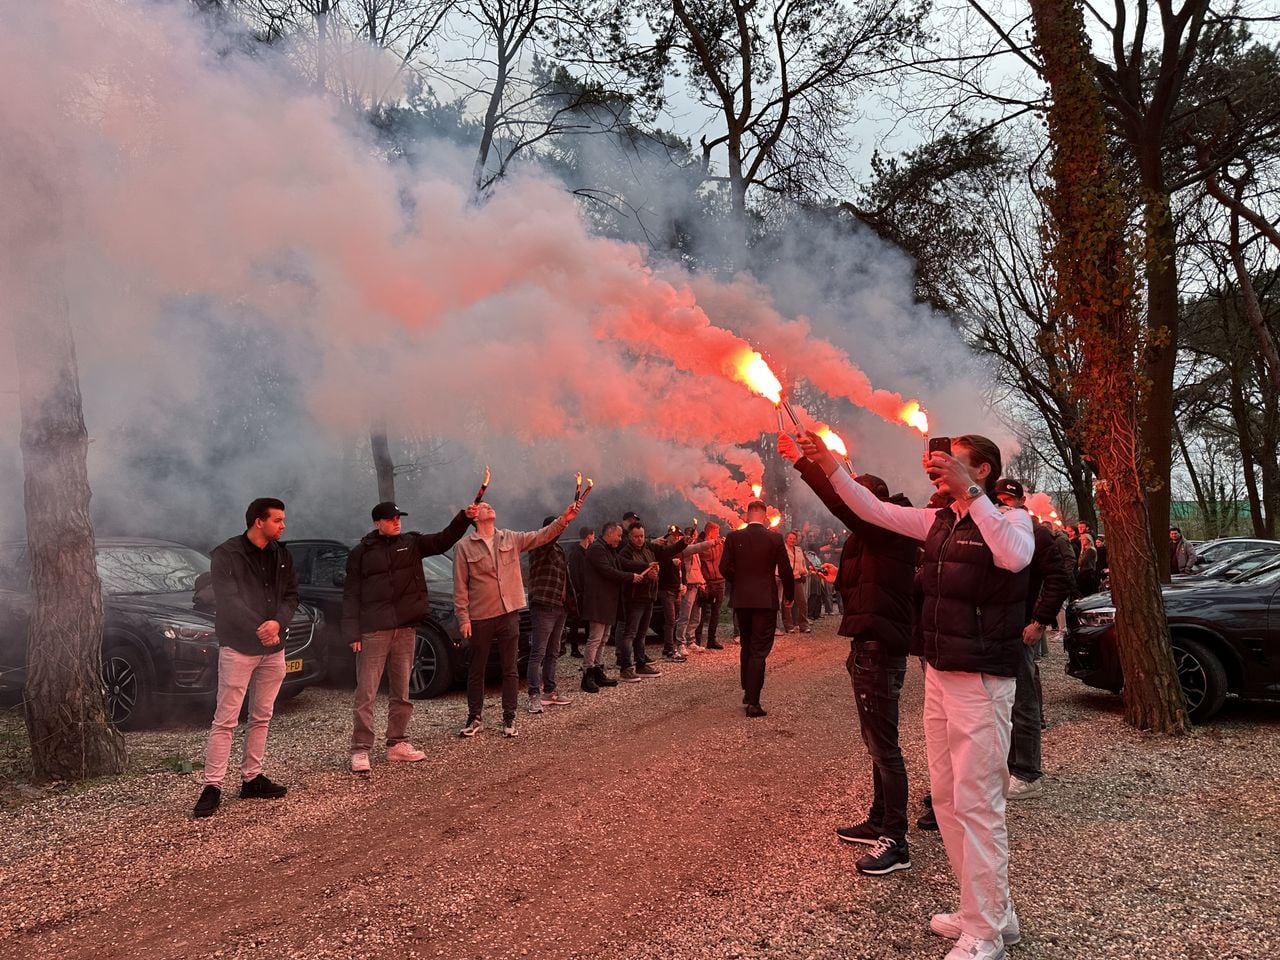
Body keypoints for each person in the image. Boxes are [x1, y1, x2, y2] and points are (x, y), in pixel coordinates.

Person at [801, 430, 1033, 960]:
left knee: (979, 804)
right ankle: (991, 913)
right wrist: (830, 466)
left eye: (957, 465)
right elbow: (871, 509)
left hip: (981, 680)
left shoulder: (1012, 519)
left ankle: (986, 933)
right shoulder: (938, 522)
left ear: (984, 472)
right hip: (939, 676)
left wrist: (970, 495)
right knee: (949, 800)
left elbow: (1016, 557)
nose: (942, 470)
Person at [782, 434, 920, 876]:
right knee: (875, 742)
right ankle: (879, 819)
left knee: (885, 746)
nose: (848, 502)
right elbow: (866, 586)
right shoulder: (869, 540)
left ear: (869, 503)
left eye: (854, 492)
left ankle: (895, 839)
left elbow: (843, 505)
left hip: (880, 647)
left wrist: (812, 465)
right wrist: (839, 576)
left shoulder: (887, 527)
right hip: (866, 644)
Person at [344, 499, 477, 773]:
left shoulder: (411, 544)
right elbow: (351, 594)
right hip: (374, 630)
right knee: (366, 692)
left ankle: (397, 743)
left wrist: (463, 518)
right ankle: (360, 749)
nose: (397, 522)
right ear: (377, 523)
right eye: (391, 518)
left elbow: (443, 540)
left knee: (401, 691)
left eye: (398, 518)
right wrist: (353, 632)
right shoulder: (361, 553)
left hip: (405, 628)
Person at [193, 497, 299, 819]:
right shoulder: (227, 554)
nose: (283, 525)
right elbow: (228, 600)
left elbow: (292, 594)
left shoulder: (282, 554)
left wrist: (278, 623)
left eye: (282, 520)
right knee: (225, 719)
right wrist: (260, 627)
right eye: (278, 520)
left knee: (262, 716)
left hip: (273, 648)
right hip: (239, 646)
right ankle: (212, 786)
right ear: (258, 521)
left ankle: (251, 778)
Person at [453, 499, 581, 738]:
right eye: (484, 506)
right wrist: (463, 618)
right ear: (474, 518)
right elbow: (460, 587)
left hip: (509, 613)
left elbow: (541, 536)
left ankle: (509, 718)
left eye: (491, 505)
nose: (490, 506)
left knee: (510, 669)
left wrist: (564, 519)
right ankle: (474, 717)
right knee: (477, 669)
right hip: (481, 616)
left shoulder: (509, 538)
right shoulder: (463, 547)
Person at [993, 480, 1073, 801]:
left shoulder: (1037, 532)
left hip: (1020, 628)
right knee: (997, 704)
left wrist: (1040, 620)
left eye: (1009, 498)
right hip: (993, 629)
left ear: (1022, 500)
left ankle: (1027, 773)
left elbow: (1061, 578)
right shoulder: (993, 528)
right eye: (998, 498)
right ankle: (1005, 766)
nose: (1004, 503)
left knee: (1023, 702)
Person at [721, 500, 793, 717]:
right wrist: (789, 595)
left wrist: (740, 581)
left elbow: (724, 567)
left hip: (742, 599)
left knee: (747, 643)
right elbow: (786, 570)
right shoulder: (774, 538)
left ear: (747, 514)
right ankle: (753, 702)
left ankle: (747, 689)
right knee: (759, 650)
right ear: (764, 516)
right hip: (764, 599)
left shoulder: (734, 537)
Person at [580, 521, 648, 691]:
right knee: (595, 639)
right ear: (609, 533)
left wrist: (646, 565)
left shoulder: (608, 549)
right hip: (597, 601)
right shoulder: (597, 549)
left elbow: (623, 563)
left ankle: (598, 670)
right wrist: (630, 577)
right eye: (618, 535)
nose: (620, 539)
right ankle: (588, 674)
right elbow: (608, 571)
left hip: (608, 601)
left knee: (603, 638)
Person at [525, 517, 577, 714]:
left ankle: (549, 691)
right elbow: (549, 538)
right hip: (544, 605)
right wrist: (563, 522)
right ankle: (533, 695)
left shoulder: (559, 550)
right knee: (538, 652)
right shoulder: (539, 546)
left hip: (559, 606)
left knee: (553, 652)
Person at [564, 527, 595, 658]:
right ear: (589, 536)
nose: (594, 538)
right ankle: (574, 649)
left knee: (588, 620)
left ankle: (588, 647)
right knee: (575, 621)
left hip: (588, 592)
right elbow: (575, 574)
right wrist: (578, 591)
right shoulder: (576, 553)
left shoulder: (588, 552)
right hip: (579, 593)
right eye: (593, 536)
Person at [696, 521, 727, 649]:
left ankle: (711, 640)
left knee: (716, 612)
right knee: (701, 613)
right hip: (706, 583)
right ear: (710, 531)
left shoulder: (720, 544)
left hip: (719, 582)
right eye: (716, 532)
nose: (718, 535)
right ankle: (696, 640)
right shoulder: (700, 544)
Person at [677, 526, 707, 653]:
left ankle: (691, 640)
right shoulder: (685, 549)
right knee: (685, 616)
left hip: (697, 585)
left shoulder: (694, 551)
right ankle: (680, 643)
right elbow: (697, 548)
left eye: (694, 537)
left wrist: (702, 581)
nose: (693, 539)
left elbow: (698, 568)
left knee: (696, 617)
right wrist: (713, 542)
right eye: (691, 536)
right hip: (689, 586)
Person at [781, 530, 811, 634]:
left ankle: (803, 625)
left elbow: (802, 563)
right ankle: (788, 625)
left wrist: (804, 573)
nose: (792, 540)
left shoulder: (798, 549)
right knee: (787, 602)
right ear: (786, 539)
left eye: (794, 539)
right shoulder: (782, 549)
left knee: (802, 602)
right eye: (790, 538)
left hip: (797, 578)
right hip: (786, 579)